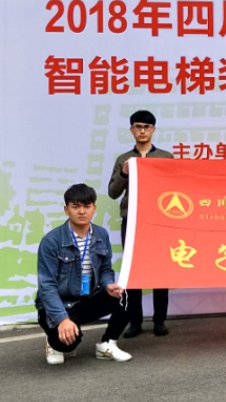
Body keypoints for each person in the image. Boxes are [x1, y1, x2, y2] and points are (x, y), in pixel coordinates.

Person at [36, 183, 132, 365]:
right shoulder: (51, 241)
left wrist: (108, 285)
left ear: (94, 208)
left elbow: (105, 269)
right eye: (76, 206)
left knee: (126, 297)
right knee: (68, 344)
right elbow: (47, 285)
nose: (82, 211)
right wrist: (62, 319)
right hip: (61, 304)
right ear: (66, 209)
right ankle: (53, 341)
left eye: (87, 206)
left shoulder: (101, 235)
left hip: (87, 298)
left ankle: (107, 344)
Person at [108, 109, 174, 338]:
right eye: (138, 126)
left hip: (159, 222)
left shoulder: (166, 158)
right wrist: (125, 173)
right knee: (133, 272)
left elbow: (174, 190)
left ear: (153, 129)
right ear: (131, 130)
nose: (142, 131)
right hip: (132, 221)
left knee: (160, 272)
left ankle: (159, 321)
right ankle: (134, 321)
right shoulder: (124, 159)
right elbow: (113, 192)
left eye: (147, 127)